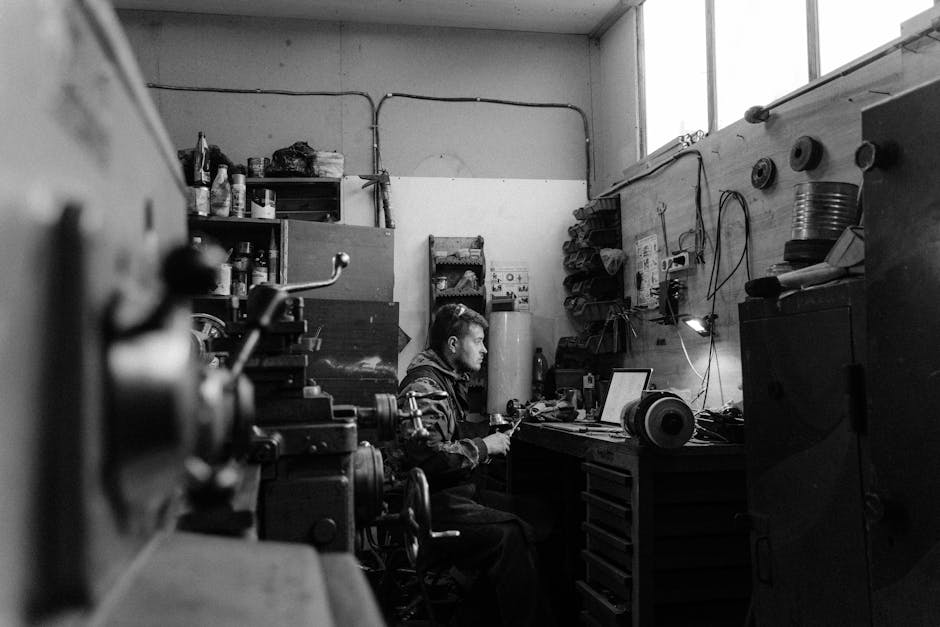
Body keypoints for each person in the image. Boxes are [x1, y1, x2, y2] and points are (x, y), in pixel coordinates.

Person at [396, 303, 545, 627]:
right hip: (432, 506)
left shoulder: (446, 381)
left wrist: (487, 437)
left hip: (454, 496)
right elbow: (430, 458)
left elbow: (445, 439)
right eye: (477, 341)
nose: (485, 349)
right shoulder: (425, 387)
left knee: (538, 515)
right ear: (453, 344)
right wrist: (483, 446)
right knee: (511, 535)